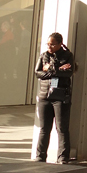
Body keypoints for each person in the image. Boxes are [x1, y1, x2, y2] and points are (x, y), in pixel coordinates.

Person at [34, 31, 75, 163]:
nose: (49, 47)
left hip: (60, 96)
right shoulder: (44, 55)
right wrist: (57, 70)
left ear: (59, 44)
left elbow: (68, 73)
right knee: (44, 128)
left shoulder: (68, 56)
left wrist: (50, 68)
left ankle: (63, 157)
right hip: (44, 95)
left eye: (52, 45)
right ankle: (40, 156)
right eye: (48, 44)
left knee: (62, 128)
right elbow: (38, 73)